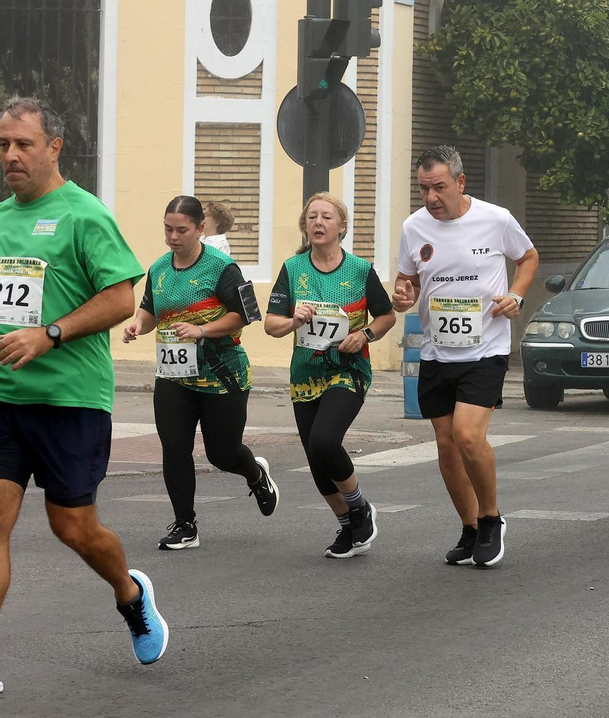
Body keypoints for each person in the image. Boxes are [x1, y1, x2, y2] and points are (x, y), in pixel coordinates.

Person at [0, 95, 168, 664]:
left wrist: (49, 333)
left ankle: (129, 592)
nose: (11, 155)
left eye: (24, 144)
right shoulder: (0, 220)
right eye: (3, 145)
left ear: (54, 147)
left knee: (72, 528)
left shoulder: (82, 213)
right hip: (6, 399)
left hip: (71, 398)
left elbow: (122, 298)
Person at [393, 145, 539, 568]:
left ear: (460, 182)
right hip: (437, 352)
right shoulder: (414, 227)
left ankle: (491, 518)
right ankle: (470, 527)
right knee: (446, 446)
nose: (431, 198)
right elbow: (408, 281)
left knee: (468, 435)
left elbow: (528, 257)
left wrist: (516, 294)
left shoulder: (495, 219)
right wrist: (404, 294)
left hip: (486, 348)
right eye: (423, 189)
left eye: (439, 187)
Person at [122, 195, 277, 550]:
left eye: (181, 230)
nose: (173, 237)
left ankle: (256, 474)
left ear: (200, 229)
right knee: (174, 448)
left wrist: (203, 330)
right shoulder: (159, 268)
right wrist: (136, 326)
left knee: (221, 454)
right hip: (174, 376)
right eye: (167, 229)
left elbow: (245, 314)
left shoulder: (222, 268)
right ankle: (184, 524)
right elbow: (149, 310)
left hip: (221, 374)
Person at [264, 193, 396, 558]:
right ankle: (348, 526)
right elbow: (271, 325)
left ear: (342, 226)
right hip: (306, 374)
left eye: (325, 217)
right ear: (305, 227)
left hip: (347, 370)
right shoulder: (293, 269)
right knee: (315, 457)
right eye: (311, 218)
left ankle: (359, 506)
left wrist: (364, 335)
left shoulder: (359, 270)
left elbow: (386, 317)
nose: (318, 223)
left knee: (324, 441)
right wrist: (293, 320)